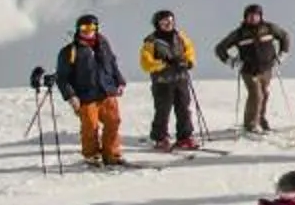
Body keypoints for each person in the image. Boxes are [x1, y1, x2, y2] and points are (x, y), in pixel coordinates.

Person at [55, 14, 130, 169]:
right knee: (90, 126)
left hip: (107, 91)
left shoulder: (103, 44)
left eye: (92, 27)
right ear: (78, 29)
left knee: (113, 122)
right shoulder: (70, 51)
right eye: (84, 28)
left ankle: (112, 154)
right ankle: (91, 155)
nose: (88, 31)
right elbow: (62, 78)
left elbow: (112, 63)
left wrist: (119, 81)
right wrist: (71, 96)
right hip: (85, 95)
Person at [215, 4, 290, 135]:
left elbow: (285, 37)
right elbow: (220, 48)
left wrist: (282, 55)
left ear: (260, 16)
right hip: (249, 70)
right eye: (250, 15)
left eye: (256, 15)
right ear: (245, 17)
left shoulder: (269, 28)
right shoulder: (239, 34)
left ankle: (260, 119)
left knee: (264, 94)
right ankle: (251, 124)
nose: (253, 18)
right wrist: (231, 61)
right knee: (256, 95)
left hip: (267, 68)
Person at [142, 9, 200, 151]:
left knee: (184, 109)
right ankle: (160, 138)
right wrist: (164, 64)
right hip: (162, 82)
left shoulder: (180, 36)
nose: (168, 24)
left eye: (170, 21)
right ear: (157, 24)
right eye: (164, 21)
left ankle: (185, 137)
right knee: (163, 110)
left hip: (181, 79)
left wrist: (189, 62)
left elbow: (189, 50)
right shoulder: (151, 41)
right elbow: (146, 63)